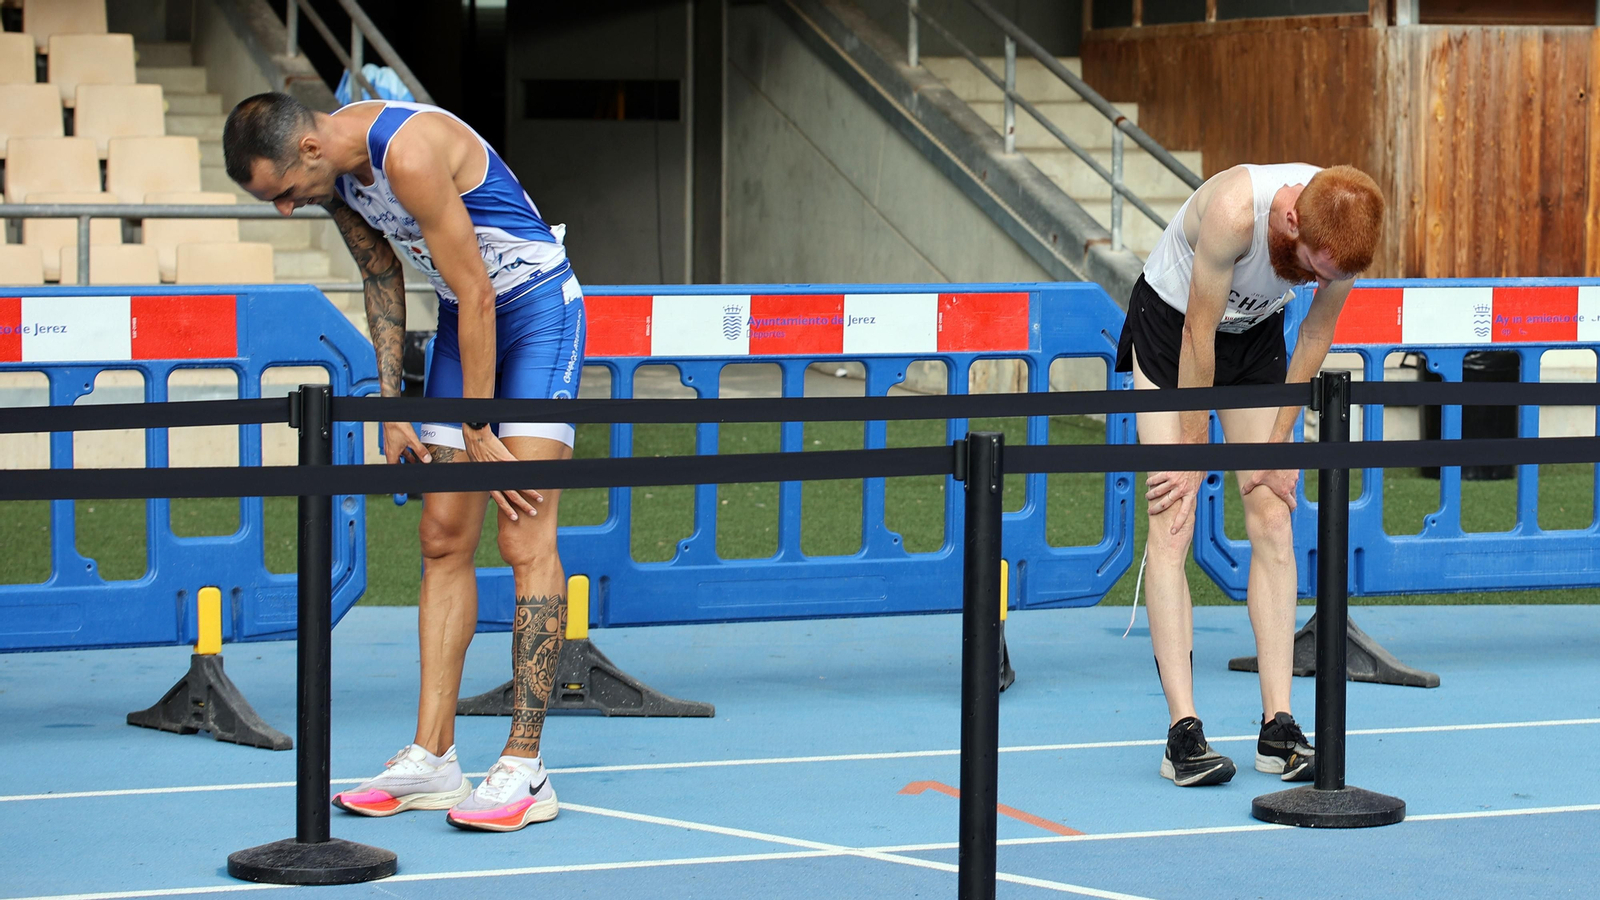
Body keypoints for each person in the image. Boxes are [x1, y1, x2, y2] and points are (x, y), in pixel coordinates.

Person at [223, 92, 585, 831]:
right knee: (443, 536)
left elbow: (482, 291)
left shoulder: (409, 152)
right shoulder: (335, 177)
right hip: (465, 322)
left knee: (523, 533)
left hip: (536, 313)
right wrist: (393, 408)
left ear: (310, 152)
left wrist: (477, 426)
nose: (287, 210)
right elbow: (383, 275)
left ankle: (524, 767)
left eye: (284, 194)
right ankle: (434, 757)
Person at [1115, 163, 1383, 787]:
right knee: (1174, 514)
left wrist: (1282, 440)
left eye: (1331, 277)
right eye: (1314, 271)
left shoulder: (1343, 234)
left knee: (1272, 510)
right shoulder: (1235, 212)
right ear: (1291, 222)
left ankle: (1279, 725)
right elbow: (1197, 331)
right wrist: (1191, 443)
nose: (1322, 283)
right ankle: (1183, 734)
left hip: (1254, 336)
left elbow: (1315, 330)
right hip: (1174, 328)